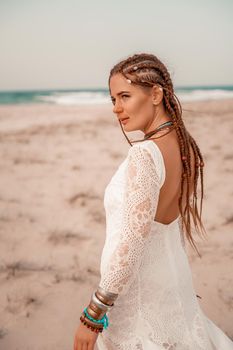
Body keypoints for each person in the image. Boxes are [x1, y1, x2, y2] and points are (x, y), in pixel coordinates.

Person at [73, 53, 233, 350]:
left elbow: (131, 244)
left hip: (139, 295)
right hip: (171, 286)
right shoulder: (182, 145)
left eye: (125, 96)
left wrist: (93, 314)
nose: (117, 109)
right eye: (112, 100)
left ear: (156, 94)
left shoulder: (145, 154)